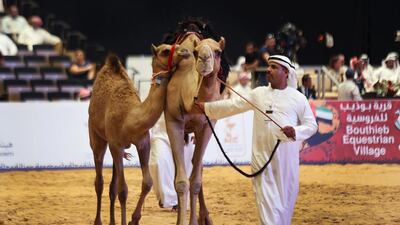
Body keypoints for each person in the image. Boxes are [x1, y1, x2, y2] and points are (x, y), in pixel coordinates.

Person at [195, 55, 317, 225]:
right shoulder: (258, 93)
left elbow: (312, 126)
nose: (268, 70)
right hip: (261, 160)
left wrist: (296, 131)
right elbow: (232, 106)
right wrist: (206, 107)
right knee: (266, 205)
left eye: (274, 67)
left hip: (287, 163)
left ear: (286, 73)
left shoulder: (298, 98)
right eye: (269, 66)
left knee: (285, 205)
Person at [149, 115, 194, 210]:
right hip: (161, 131)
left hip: (185, 132)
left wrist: (198, 131)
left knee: (186, 166)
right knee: (158, 162)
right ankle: (167, 198)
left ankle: (180, 200)